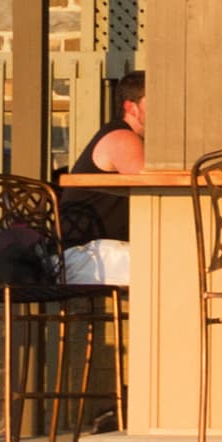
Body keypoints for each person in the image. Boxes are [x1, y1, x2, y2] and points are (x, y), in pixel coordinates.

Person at [57, 73, 149, 284]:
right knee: (172, 262)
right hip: (84, 256)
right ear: (131, 108)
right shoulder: (122, 138)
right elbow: (155, 189)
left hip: (105, 252)